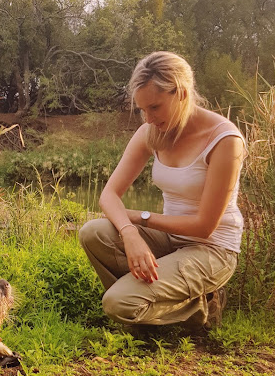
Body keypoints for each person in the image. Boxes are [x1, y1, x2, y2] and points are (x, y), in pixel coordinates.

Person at [78, 51, 246, 330]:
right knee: (93, 233)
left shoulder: (224, 140)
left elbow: (204, 227)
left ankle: (201, 307)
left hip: (213, 250)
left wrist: (141, 218)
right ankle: (147, 302)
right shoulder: (151, 131)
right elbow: (109, 195)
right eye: (142, 110)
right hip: (170, 240)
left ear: (181, 92)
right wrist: (130, 234)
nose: (148, 118)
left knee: (117, 303)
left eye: (154, 107)